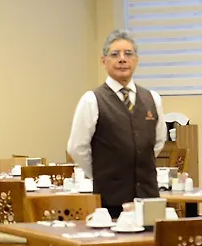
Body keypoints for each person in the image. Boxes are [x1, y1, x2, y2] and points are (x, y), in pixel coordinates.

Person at [67, 29, 167, 218]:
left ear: (136, 60)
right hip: (110, 200)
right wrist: (100, 173)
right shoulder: (92, 100)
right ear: (103, 61)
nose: (122, 59)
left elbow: (158, 142)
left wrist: (136, 162)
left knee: (152, 237)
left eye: (128, 54)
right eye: (115, 54)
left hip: (148, 198)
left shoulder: (152, 98)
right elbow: (77, 148)